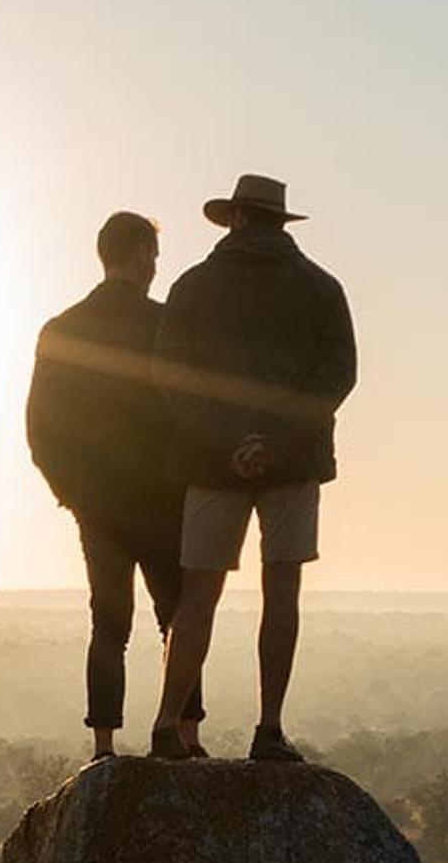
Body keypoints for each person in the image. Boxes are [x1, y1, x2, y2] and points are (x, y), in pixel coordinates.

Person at [151, 173, 356, 763]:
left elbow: (172, 376)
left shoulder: (194, 286)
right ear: (279, 222)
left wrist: (227, 443)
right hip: (294, 462)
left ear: (236, 218)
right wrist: (277, 442)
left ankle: (167, 724)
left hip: (211, 462)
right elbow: (337, 376)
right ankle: (269, 727)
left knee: (198, 595)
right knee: (282, 589)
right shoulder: (321, 288)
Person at [24, 211, 202, 760]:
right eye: (153, 255)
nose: (154, 266)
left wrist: (72, 493)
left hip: (98, 502)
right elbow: (189, 408)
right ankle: (182, 734)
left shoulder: (62, 329)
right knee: (178, 615)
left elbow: (40, 427)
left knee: (109, 622)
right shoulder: (165, 324)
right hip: (163, 495)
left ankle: (104, 745)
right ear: (142, 255)